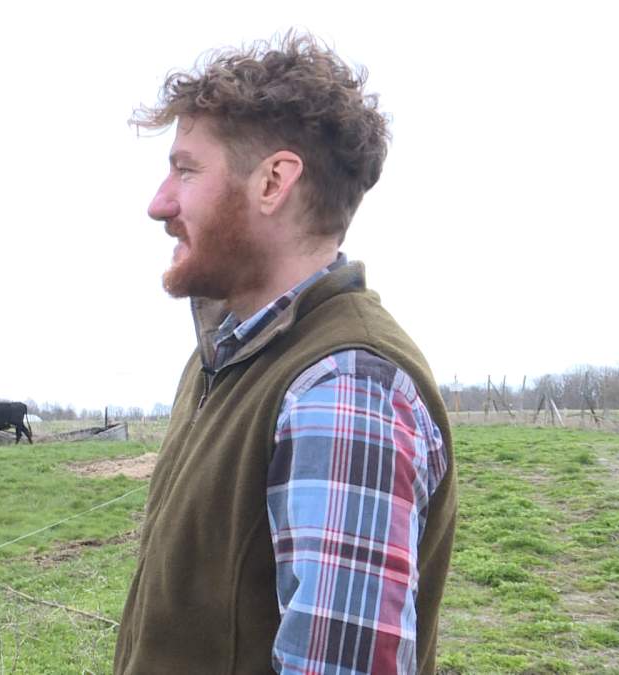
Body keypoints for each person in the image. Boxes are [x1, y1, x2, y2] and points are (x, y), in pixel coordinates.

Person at [114, 32, 456, 675]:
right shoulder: (228, 357)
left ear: (273, 181)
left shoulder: (343, 387)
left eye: (186, 170)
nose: (160, 203)